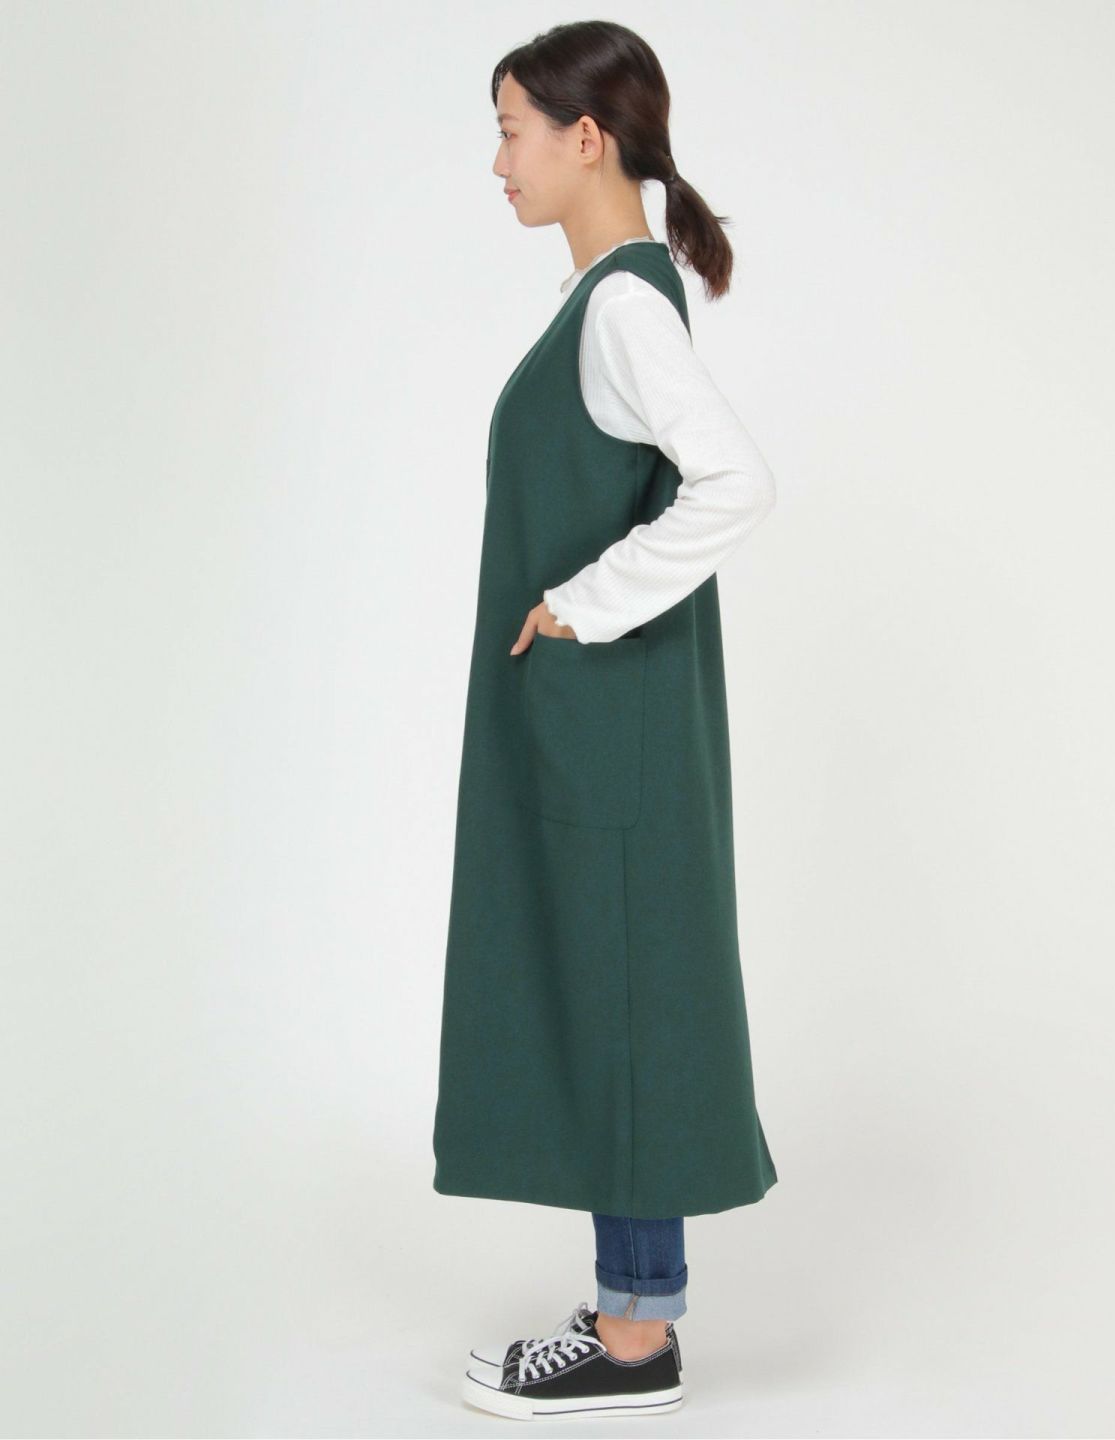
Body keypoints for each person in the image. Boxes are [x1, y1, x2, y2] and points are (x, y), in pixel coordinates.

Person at [434, 20, 779, 1421]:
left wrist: (587, 602)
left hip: (612, 722)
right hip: (602, 723)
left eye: (511, 129)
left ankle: (636, 1345)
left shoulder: (624, 307)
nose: (498, 162)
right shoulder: (614, 297)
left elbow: (735, 482)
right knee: (609, 986)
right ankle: (633, 1311)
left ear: (587, 139)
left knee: (628, 995)